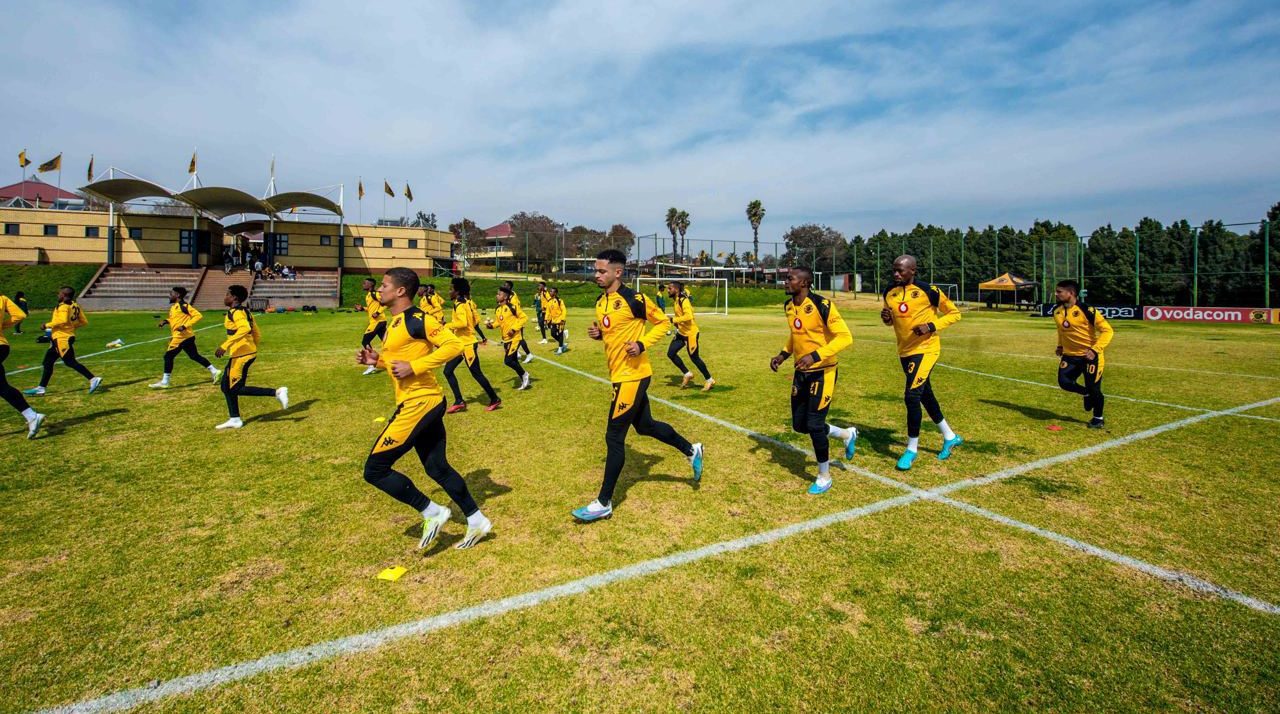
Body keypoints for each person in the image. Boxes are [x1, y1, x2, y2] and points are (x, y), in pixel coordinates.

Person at [356, 267, 493, 551]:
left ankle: (431, 511)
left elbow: (453, 345)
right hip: (417, 401)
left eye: (383, 285)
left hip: (421, 402)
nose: (379, 290)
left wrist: (416, 366)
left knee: (375, 469)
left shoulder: (418, 319)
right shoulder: (395, 323)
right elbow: (402, 361)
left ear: (400, 291)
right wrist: (378, 362)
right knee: (436, 468)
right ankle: (477, 519)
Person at [574, 249, 703, 522]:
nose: (595, 275)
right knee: (645, 427)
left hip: (633, 376)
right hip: (620, 374)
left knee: (614, 437)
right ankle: (692, 450)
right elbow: (614, 332)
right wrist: (600, 335)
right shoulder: (601, 301)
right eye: (595, 270)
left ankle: (604, 502)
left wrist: (642, 343)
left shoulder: (635, 299)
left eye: (601, 271)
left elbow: (662, 324)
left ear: (617, 273)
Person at [769, 267, 856, 494]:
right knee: (800, 426)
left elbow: (845, 337)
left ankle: (824, 476)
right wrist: (782, 354)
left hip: (823, 371)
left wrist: (815, 356)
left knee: (815, 424)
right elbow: (795, 335)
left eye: (790, 278)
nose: (785, 282)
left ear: (805, 282)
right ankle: (847, 434)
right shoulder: (789, 306)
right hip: (801, 372)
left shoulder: (822, 305)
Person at [880, 255, 963, 470]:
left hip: (926, 350)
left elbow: (954, 314)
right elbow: (892, 321)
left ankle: (911, 449)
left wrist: (931, 326)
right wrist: (887, 319)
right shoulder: (889, 291)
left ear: (913, 271)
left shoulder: (929, 290)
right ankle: (950, 436)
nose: (896, 274)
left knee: (912, 396)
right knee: (925, 394)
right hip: (905, 351)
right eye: (894, 270)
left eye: (901, 270)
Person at [214, 285, 288, 429]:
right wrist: (252, 348)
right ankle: (234, 418)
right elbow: (256, 333)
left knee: (234, 388)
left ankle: (277, 392)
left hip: (241, 355)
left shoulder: (235, 312)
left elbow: (246, 328)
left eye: (227, 294)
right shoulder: (245, 311)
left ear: (234, 298)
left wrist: (225, 345)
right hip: (243, 353)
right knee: (225, 386)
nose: (225, 297)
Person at [1052, 279, 1113, 429]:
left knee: (1094, 388)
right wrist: (1060, 345)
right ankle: (1085, 393)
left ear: (1071, 293)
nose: (1056, 294)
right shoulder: (1057, 311)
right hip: (1070, 355)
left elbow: (1108, 331)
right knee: (1064, 382)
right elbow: (1061, 330)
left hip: (1090, 356)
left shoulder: (1088, 310)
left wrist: (1094, 350)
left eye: (1059, 291)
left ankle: (1098, 418)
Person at [24, 286, 101, 397]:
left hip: (62, 339)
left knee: (70, 362)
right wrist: (71, 327)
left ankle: (93, 379)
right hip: (62, 337)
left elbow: (63, 320)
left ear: (64, 295)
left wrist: (46, 325)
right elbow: (83, 322)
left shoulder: (63, 306)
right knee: (47, 362)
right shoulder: (75, 305)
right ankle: (41, 388)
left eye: (59, 293)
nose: (58, 295)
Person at [442, 277, 501, 413]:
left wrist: (447, 325)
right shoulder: (465, 302)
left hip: (468, 345)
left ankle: (494, 398)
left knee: (476, 373)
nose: (449, 291)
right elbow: (474, 320)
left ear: (457, 291)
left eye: (451, 289)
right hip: (460, 345)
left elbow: (462, 323)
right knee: (448, 371)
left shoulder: (461, 304)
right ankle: (459, 401)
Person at [150, 286, 220, 388]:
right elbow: (174, 319)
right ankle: (215, 371)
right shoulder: (174, 307)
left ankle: (165, 382)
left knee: (168, 356)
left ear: (177, 295)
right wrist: (166, 321)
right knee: (194, 356)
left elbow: (198, 315)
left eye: (171, 294)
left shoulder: (184, 305)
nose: (170, 296)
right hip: (187, 337)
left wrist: (185, 326)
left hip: (181, 337)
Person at [1, 291, 44, 438]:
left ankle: (32, 416)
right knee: (2, 386)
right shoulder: (3, 298)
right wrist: (3, 326)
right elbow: (20, 315)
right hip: (2, 346)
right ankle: (32, 416)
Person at [665, 281, 715, 391]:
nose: (668, 290)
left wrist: (673, 320)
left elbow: (689, 316)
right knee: (671, 353)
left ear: (676, 290)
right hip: (681, 333)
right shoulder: (677, 300)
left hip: (691, 334)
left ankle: (709, 379)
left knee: (694, 358)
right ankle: (687, 374)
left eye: (670, 288)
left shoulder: (683, 300)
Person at [487, 286, 532, 390]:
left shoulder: (513, 307)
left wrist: (514, 329)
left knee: (508, 361)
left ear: (505, 296)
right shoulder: (498, 309)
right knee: (514, 361)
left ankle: (525, 374)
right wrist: (492, 325)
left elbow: (524, 317)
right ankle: (525, 380)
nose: (497, 296)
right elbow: (499, 321)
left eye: (499, 294)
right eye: (497, 294)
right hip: (506, 340)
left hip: (515, 338)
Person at [500, 280, 534, 363]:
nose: (504, 286)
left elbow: (515, 310)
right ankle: (517, 353)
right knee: (514, 338)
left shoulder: (513, 298)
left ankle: (529, 354)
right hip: (511, 321)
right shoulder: (509, 295)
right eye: (504, 285)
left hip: (516, 321)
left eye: (506, 285)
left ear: (509, 287)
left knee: (520, 338)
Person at [360, 277, 388, 375]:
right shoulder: (368, 295)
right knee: (386, 342)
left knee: (365, 341)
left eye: (365, 283)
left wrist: (378, 312)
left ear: (371, 285)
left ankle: (372, 365)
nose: (363, 284)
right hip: (377, 321)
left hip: (378, 322)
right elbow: (371, 308)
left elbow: (386, 303)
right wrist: (362, 308)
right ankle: (395, 359)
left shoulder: (375, 294)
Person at [544, 286, 569, 354]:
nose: (550, 292)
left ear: (555, 293)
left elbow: (564, 310)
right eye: (550, 291)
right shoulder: (549, 302)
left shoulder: (559, 301)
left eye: (551, 291)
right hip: (553, 321)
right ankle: (563, 344)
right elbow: (548, 312)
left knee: (560, 334)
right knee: (553, 334)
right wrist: (546, 320)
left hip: (560, 320)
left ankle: (560, 349)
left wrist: (562, 319)